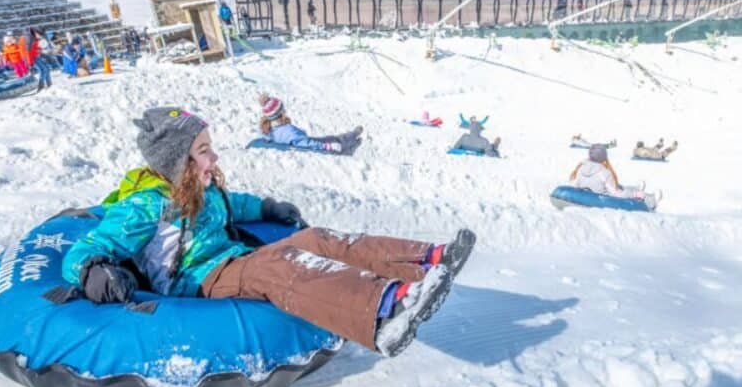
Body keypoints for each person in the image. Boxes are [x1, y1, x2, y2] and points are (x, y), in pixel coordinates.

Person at [61, 107, 477, 357]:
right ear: (177, 162)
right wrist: (92, 269)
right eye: (203, 151)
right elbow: (92, 245)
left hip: (229, 261)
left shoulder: (199, 188)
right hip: (199, 281)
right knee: (280, 264)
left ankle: (429, 260)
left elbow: (232, 203)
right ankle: (388, 309)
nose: (214, 156)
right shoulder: (147, 204)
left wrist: (266, 207)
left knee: (318, 240)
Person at [259, 94, 363, 154]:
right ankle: (352, 139)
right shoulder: (288, 131)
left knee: (329, 138)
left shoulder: (267, 130)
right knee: (334, 141)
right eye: (282, 109)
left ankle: (352, 141)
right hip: (314, 149)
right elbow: (307, 144)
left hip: (301, 144)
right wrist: (327, 147)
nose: (285, 111)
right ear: (280, 113)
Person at [570, 144, 659, 209]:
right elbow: (616, 193)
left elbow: (577, 185)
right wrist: (635, 194)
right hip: (604, 197)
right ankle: (651, 201)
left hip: (591, 192)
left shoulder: (581, 167)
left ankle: (636, 187)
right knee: (623, 190)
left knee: (619, 186)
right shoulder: (603, 172)